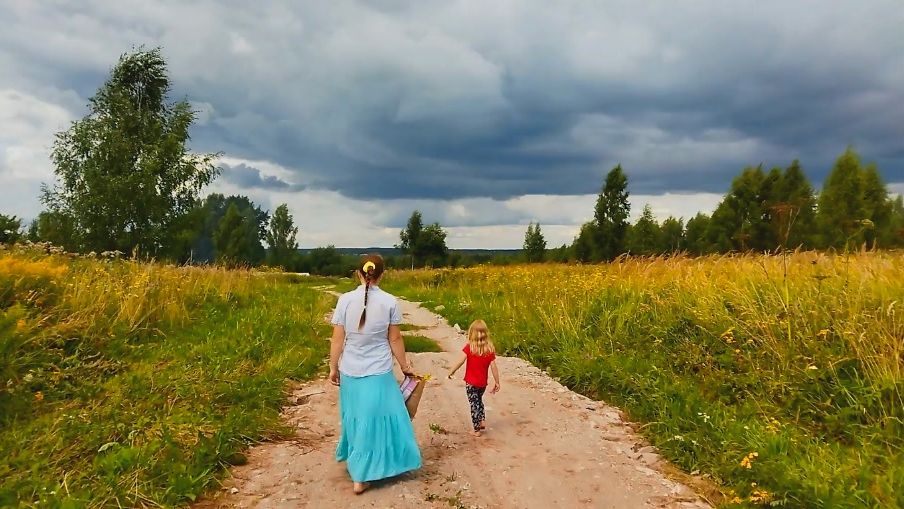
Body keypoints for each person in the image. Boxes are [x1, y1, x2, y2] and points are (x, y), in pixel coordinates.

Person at [329, 254, 422, 494]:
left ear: (358, 273)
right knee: (384, 417)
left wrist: (333, 366)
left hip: (350, 370)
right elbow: (395, 338)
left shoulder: (345, 300)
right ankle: (364, 474)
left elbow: (338, 338)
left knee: (359, 418)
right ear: (382, 274)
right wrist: (404, 365)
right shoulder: (390, 301)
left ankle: (360, 465)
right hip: (378, 371)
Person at [446, 319, 500, 437]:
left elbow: (460, 361)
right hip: (482, 384)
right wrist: (497, 382)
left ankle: (476, 429)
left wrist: (451, 371)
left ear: (471, 333)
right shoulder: (489, 349)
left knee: (473, 404)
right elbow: (494, 367)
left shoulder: (470, 347)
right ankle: (482, 420)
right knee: (479, 400)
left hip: (471, 383)